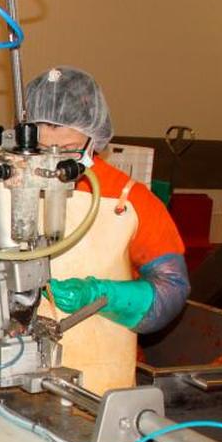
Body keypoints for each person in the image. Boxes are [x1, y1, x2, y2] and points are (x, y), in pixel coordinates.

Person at [26, 66, 189, 392]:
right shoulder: (7, 190)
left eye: (68, 148)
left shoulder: (131, 200)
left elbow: (172, 291)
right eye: (44, 147)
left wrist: (102, 295)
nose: (56, 158)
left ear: (92, 137)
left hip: (100, 381)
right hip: (16, 370)